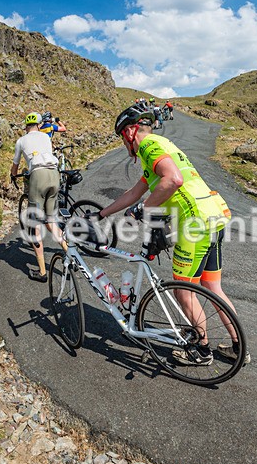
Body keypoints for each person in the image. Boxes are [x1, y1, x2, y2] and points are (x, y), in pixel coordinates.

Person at [95, 102, 248, 365]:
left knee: (183, 291)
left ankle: (201, 351)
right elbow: (134, 193)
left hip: (194, 223)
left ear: (131, 131)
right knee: (212, 287)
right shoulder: (164, 146)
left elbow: (173, 180)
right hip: (213, 215)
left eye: (123, 138)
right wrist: (102, 214)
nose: (124, 145)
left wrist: (144, 208)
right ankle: (239, 348)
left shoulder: (148, 145)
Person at [10, 112, 67, 282]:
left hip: (38, 178)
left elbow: (16, 165)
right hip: (54, 175)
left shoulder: (21, 141)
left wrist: (13, 175)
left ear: (26, 126)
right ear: (40, 125)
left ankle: (42, 272)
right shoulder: (45, 138)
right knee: (51, 221)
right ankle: (70, 255)